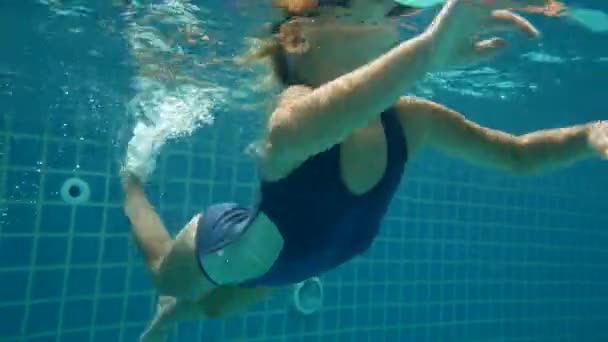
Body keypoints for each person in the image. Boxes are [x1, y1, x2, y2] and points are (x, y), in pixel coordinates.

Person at [121, 0, 608, 340]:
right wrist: (429, 52)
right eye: (360, 3)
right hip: (231, 246)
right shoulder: (293, 111)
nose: (387, 18)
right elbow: (299, 129)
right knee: (168, 280)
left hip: (286, 264)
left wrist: (590, 135)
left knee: (213, 308)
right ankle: (132, 181)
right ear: (297, 36)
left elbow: (517, 154)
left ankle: (180, 311)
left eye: (392, 13)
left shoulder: (413, 121)